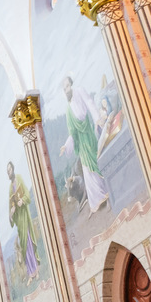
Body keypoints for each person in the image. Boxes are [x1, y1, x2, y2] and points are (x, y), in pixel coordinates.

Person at [59, 77, 110, 214]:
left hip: (88, 133)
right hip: (81, 142)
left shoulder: (79, 91)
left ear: (71, 85)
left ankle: (105, 190)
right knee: (87, 169)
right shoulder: (68, 110)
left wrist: (97, 119)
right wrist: (66, 145)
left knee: (95, 160)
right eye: (64, 89)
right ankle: (97, 199)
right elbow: (72, 133)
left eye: (67, 86)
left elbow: (90, 103)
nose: (66, 90)